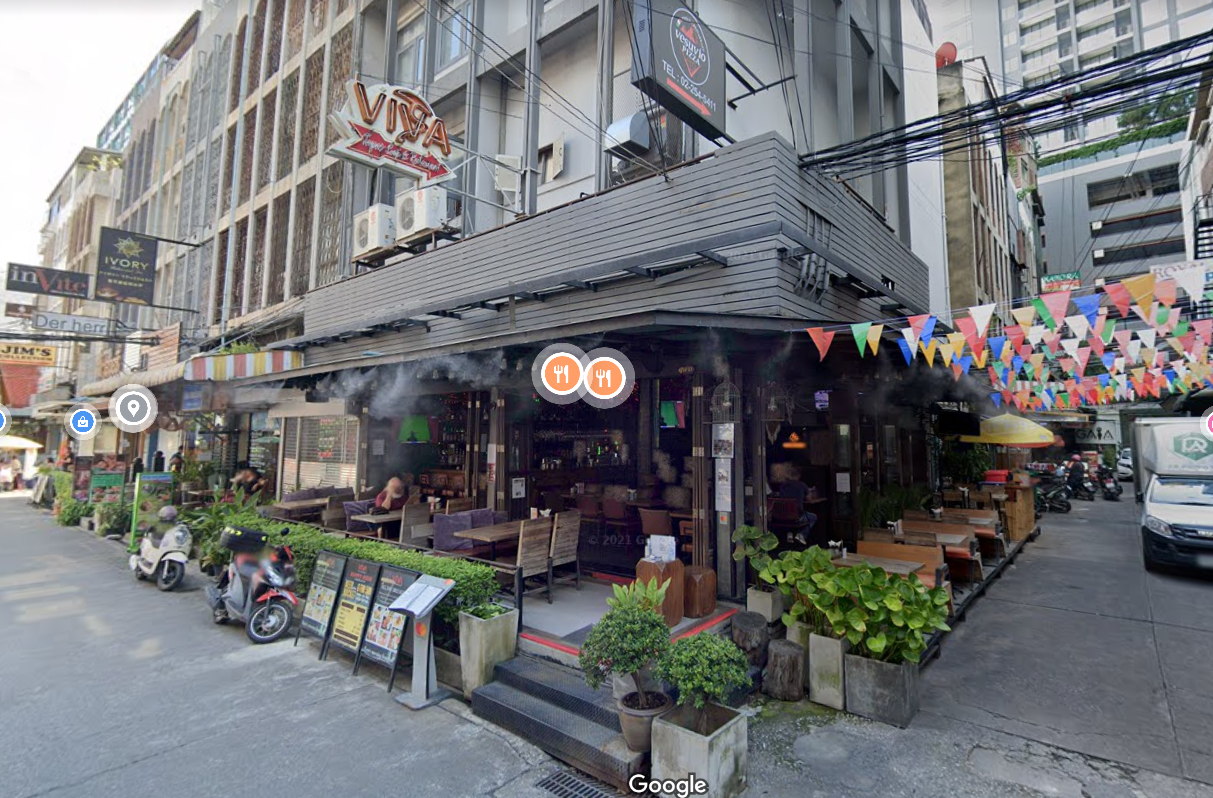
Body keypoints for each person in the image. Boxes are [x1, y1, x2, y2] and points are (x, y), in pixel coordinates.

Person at [773, 464, 817, 546]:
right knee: (813, 517)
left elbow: (780, 497)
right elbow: (810, 500)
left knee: (789, 517)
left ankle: (789, 533)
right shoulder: (802, 485)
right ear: (799, 475)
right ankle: (801, 535)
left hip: (782, 517)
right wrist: (809, 491)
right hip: (797, 517)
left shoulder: (783, 485)